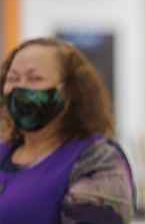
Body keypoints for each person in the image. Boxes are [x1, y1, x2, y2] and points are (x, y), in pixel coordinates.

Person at [0, 37, 135, 224]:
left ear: (70, 91)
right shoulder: (4, 152)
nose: (20, 88)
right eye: (13, 78)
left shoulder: (97, 161)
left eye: (35, 78)